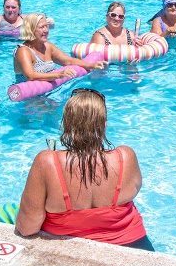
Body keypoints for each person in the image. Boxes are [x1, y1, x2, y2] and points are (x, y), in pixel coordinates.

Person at [15, 89, 151, 250]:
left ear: (66, 124)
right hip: (134, 247)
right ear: (104, 124)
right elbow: (134, 190)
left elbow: (27, 228)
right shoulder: (125, 157)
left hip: (66, 252)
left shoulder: (47, 162)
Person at [14, 13, 106, 86]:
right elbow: (30, 76)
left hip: (49, 91)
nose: (46, 30)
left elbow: (68, 61)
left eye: (46, 26)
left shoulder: (47, 46)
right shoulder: (23, 51)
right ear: (31, 30)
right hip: (28, 97)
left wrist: (92, 65)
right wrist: (59, 75)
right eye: (42, 27)